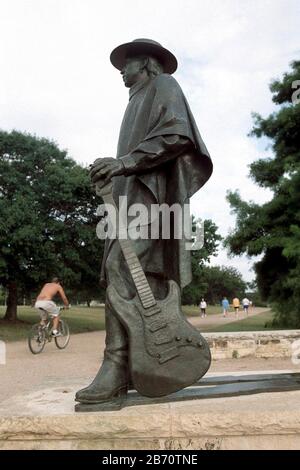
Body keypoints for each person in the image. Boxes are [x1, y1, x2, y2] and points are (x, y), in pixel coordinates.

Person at [75, 38, 212, 405]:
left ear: (147, 63)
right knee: (131, 276)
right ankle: (142, 362)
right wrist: (112, 173)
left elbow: (176, 134)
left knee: (121, 266)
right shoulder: (136, 98)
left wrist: (123, 163)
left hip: (150, 198)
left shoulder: (163, 84)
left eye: (128, 63)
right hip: (128, 196)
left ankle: (116, 365)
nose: (122, 69)